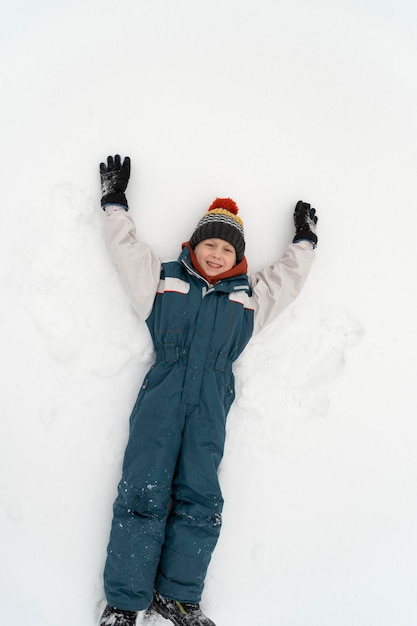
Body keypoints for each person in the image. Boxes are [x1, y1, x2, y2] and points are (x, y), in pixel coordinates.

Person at [98, 155, 318, 626]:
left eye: (226, 249)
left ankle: (178, 596)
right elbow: (127, 254)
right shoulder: (164, 281)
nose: (216, 254)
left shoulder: (248, 299)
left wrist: (305, 240)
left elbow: (287, 281)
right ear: (193, 246)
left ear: (238, 256)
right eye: (209, 245)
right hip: (162, 394)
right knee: (144, 490)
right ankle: (125, 601)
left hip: (211, 403)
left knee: (200, 498)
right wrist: (114, 202)